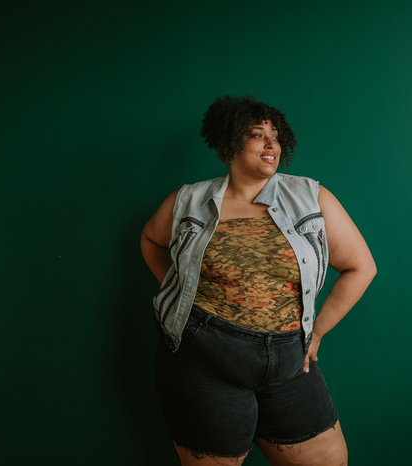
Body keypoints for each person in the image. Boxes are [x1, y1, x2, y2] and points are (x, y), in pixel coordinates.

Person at [141, 95, 376, 466]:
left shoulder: (311, 197)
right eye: (257, 134)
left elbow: (362, 267)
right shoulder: (189, 201)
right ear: (230, 143)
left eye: (276, 136)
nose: (271, 144)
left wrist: (316, 333)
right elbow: (151, 241)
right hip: (203, 357)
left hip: (290, 361)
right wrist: (185, 294)